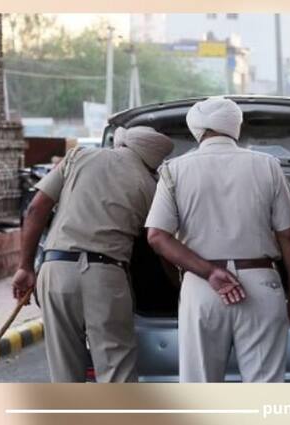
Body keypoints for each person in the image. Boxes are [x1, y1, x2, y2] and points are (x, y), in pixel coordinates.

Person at [145, 97, 290, 382]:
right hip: (261, 284)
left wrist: (209, 273)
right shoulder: (267, 165)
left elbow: (157, 236)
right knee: (265, 388)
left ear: (196, 129)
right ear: (235, 127)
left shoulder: (174, 169)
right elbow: (288, 236)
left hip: (202, 287)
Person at [11, 126, 174, 382]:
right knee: (115, 373)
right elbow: (160, 243)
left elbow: (35, 209)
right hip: (104, 276)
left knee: (64, 374)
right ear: (154, 161)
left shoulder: (78, 156)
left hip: (55, 270)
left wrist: (24, 266)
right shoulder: (150, 186)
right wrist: (179, 283)